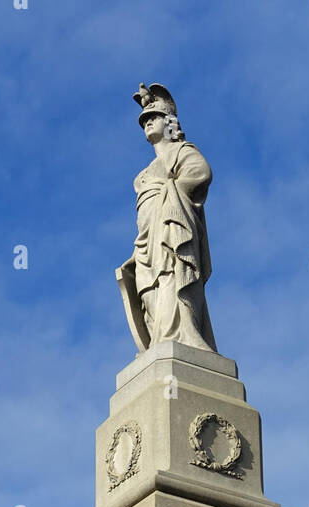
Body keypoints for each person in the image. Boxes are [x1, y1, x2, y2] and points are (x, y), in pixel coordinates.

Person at [118, 83, 217, 352]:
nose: (148, 122)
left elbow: (201, 172)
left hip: (171, 230)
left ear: (169, 122)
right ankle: (161, 340)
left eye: (154, 117)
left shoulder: (181, 151)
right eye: (145, 120)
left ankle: (186, 336)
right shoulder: (146, 170)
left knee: (172, 277)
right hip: (146, 241)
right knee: (148, 291)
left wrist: (170, 198)